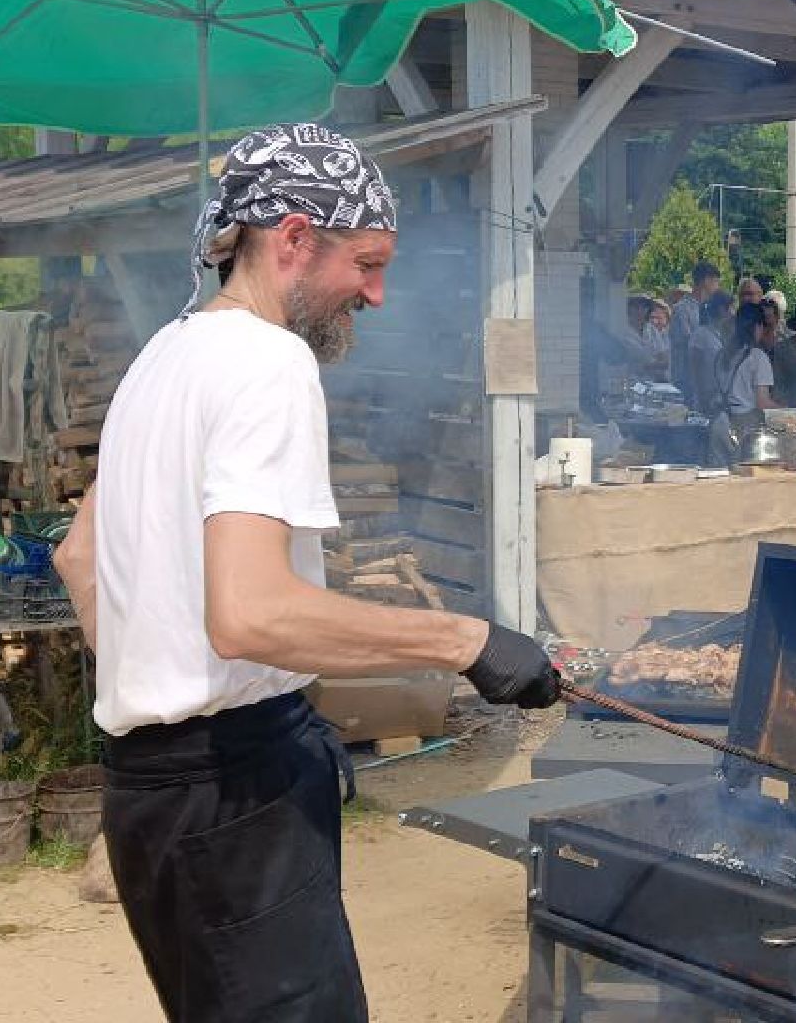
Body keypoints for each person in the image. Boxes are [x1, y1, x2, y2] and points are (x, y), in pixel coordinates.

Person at [54, 123, 558, 1023]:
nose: (375, 291)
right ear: (293, 238)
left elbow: (80, 555)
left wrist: (159, 693)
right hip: (234, 796)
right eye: (365, 263)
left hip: (148, 798)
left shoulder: (160, 358)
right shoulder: (268, 361)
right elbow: (249, 616)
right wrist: (466, 640)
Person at [709, 303, 778, 466]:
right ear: (758, 326)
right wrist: (787, 411)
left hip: (720, 422)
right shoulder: (758, 357)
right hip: (744, 428)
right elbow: (762, 403)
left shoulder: (722, 354)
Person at [671, 261, 722, 353]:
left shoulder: (708, 308)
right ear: (706, 280)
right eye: (716, 281)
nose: (718, 287)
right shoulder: (681, 309)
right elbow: (686, 343)